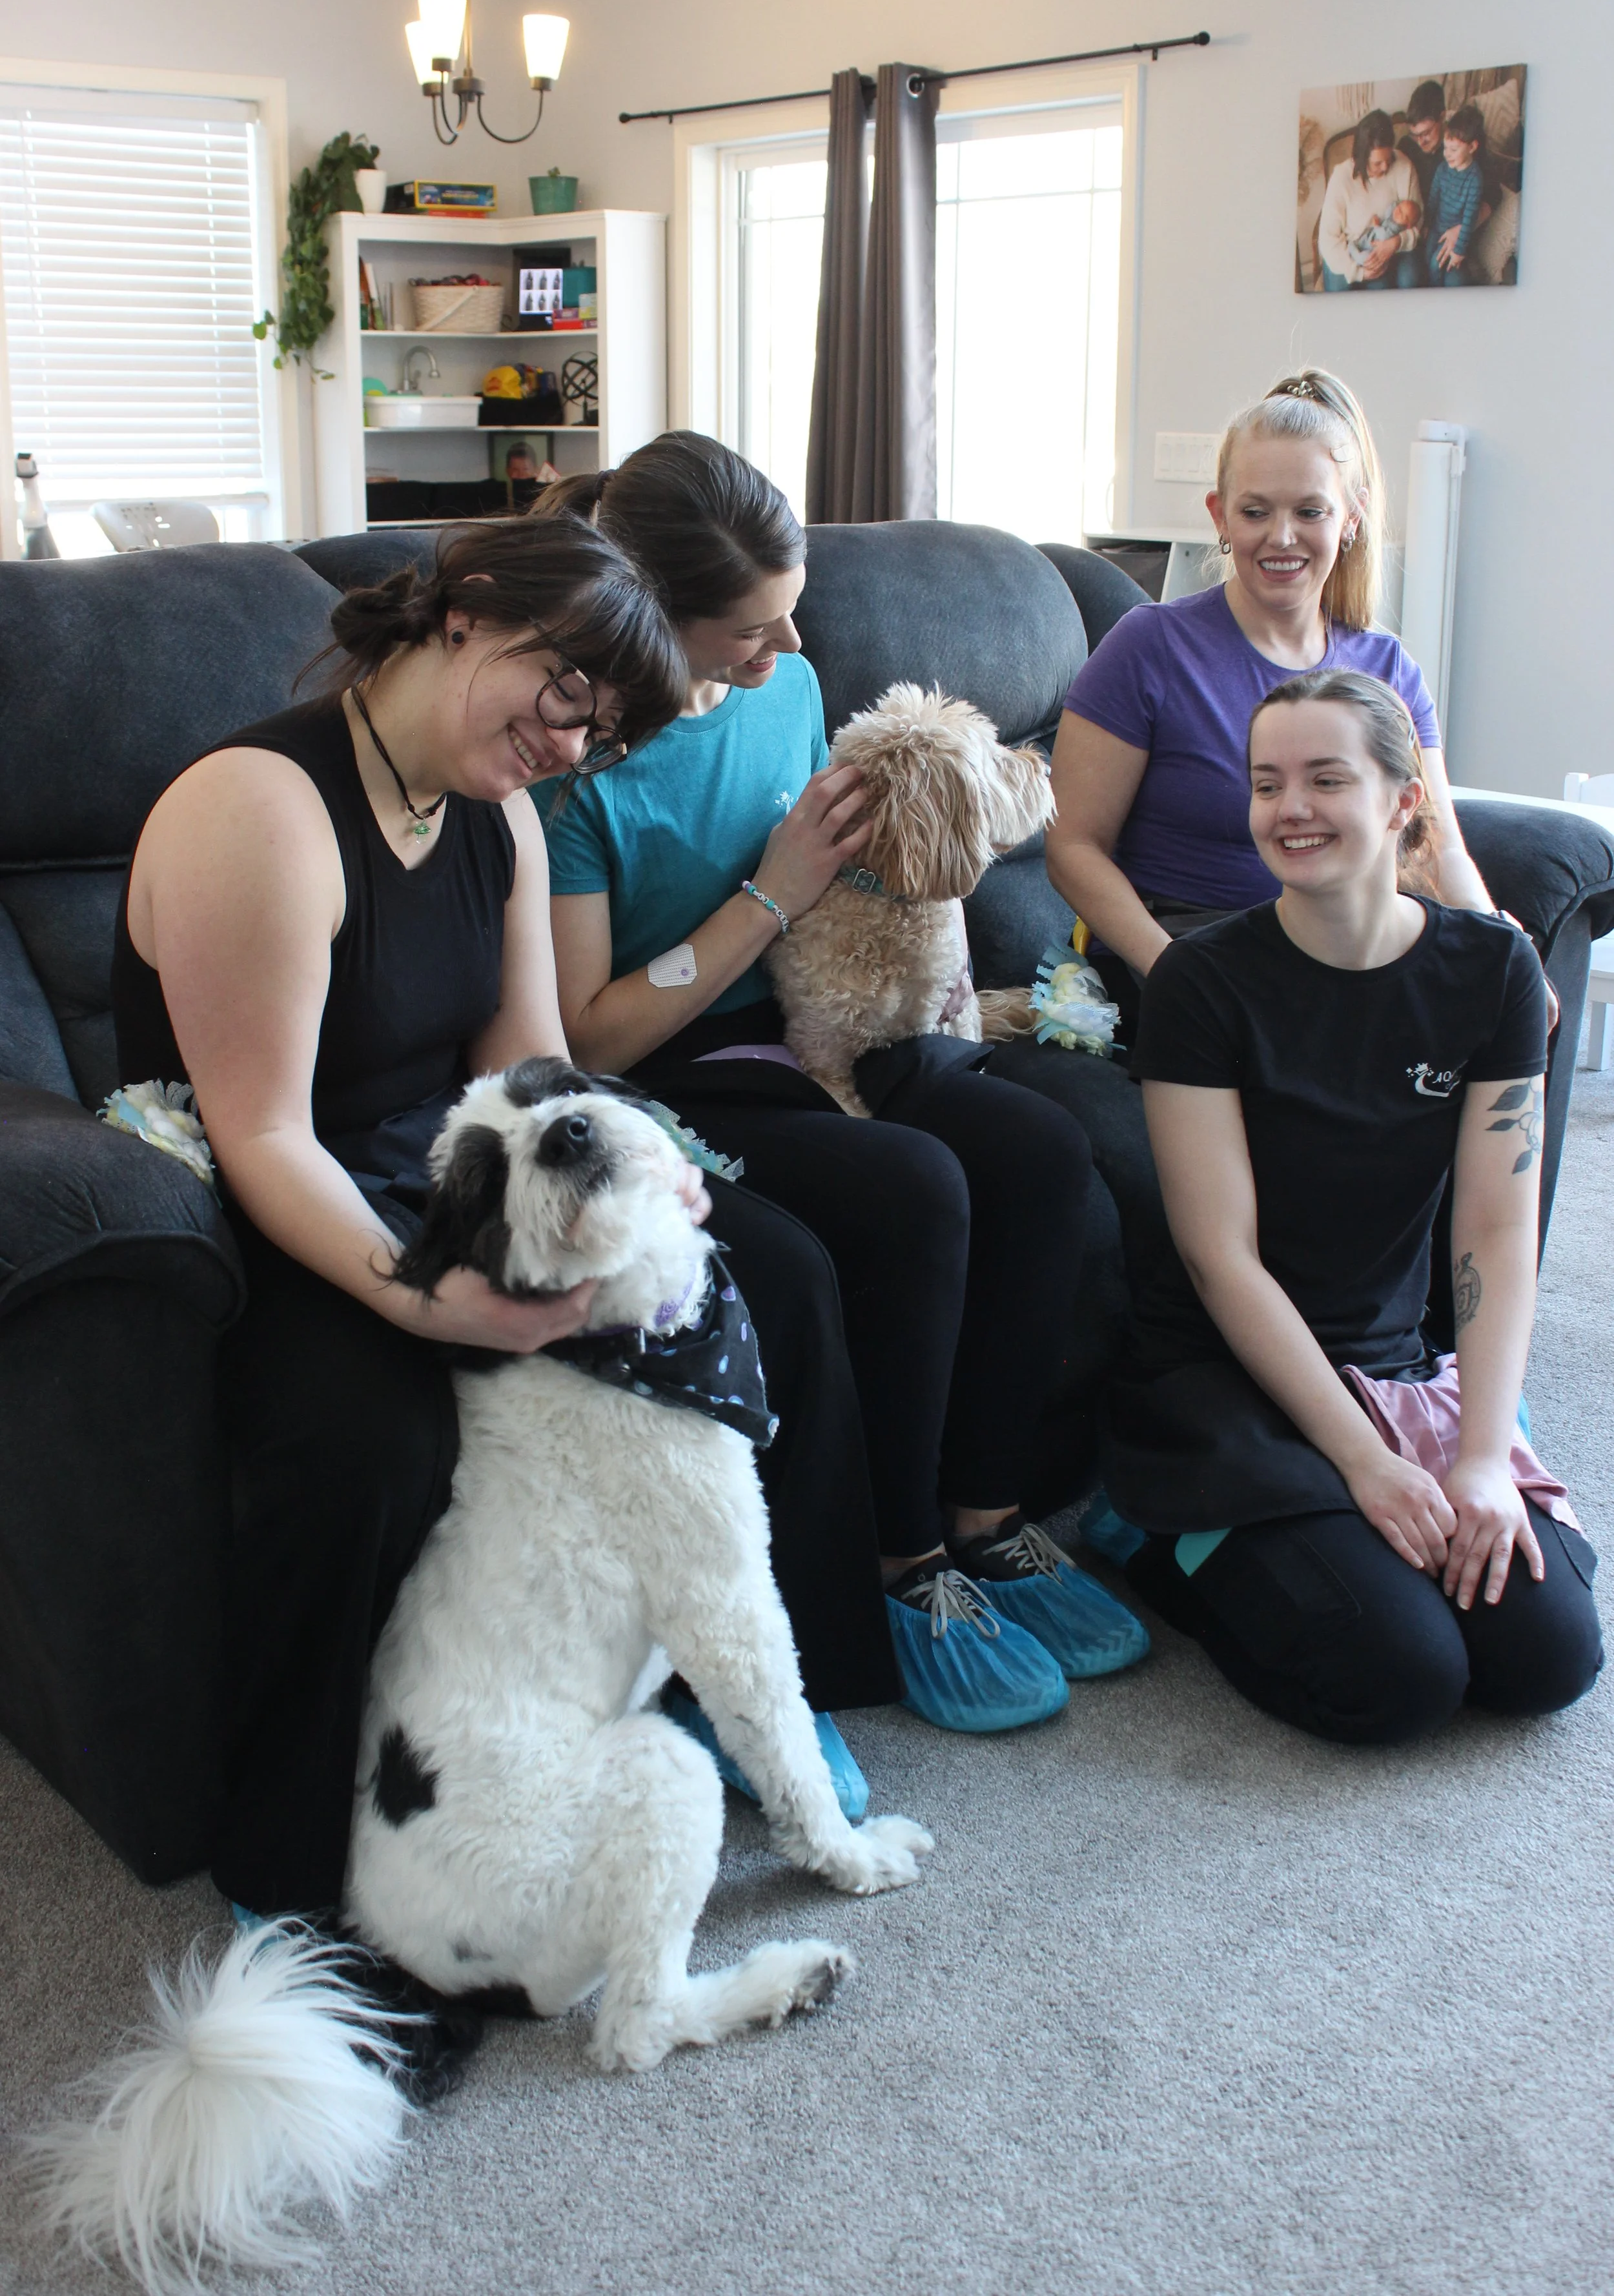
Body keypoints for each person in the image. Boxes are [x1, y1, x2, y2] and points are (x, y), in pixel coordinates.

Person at [111, 517, 894, 1963]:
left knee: (768, 1266)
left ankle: (775, 1700)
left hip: (449, 1161)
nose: (566, 742)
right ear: (465, 615)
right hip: (269, 1190)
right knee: (374, 1434)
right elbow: (267, 1134)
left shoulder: (500, 812)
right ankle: (282, 1842)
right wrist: (423, 1309)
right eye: (559, 697)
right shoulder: (259, 807)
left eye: (595, 730)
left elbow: (534, 1060)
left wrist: (643, 1174)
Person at [534, 433, 1150, 1738]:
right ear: (652, 618)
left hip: (838, 1021)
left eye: (791, 609)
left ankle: (988, 1524)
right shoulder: (578, 768)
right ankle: (898, 1564)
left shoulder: (791, 683)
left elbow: (866, 880)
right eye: (748, 631)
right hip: (686, 1065)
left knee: (1038, 1154)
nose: (786, 645)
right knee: (911, 1185)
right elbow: (589, 1033)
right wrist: (771, 892)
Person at [1099, 669, 1601, 1743]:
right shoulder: (1202, 981)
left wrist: (1474, 1453)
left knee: (1546, 1656)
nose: (1290, 810)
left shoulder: (1495, 968)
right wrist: (1366, 1466)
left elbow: (1497, 1231)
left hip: (1392, 1360)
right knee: (1398, 1678)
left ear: (1403, 800)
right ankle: (1165, 1545)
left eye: (1327, 778)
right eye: (1266, 782)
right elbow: (1219, 1260)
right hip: (1229, 1374)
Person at [1045, 368, 1500, 1301]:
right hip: (1198, 944)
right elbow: (1074, 846)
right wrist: (1170, 968)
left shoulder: (1385, 666)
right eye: (1255, 510)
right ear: (1219, 513)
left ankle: (1454, 1361)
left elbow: (1437, 845)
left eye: (1308, 510)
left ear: (1354, 515)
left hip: (1346, 942)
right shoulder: (1150, 645)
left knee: (1490, 1057)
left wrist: (1499, 951)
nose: (1280, 537)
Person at [1317, 110, 1423, 289]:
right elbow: (1328, 238)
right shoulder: (1342, 176)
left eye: (1389, 159)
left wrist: (1397, 243)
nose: (1385, 167)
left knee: (1391, 286)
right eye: (1377, 163)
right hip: (1351, 249)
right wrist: (1358, 272)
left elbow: (1418, 218)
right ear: (1361, 156)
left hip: (1390, 246)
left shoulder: (1404, 166)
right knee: (1339, 291)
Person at [1422, 103, 1486, 286]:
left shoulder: (1475, 179)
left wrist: (1459, 250)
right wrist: (1427, 225)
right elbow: (1433, 199)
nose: (1447, 155)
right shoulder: (1443, 169)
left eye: (1454, 150)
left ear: (1472, 147)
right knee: (1428, 258)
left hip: (1457, 235)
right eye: (1445, 148)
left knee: (1436, 264)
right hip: (1437, 228)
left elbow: (1469, 218)